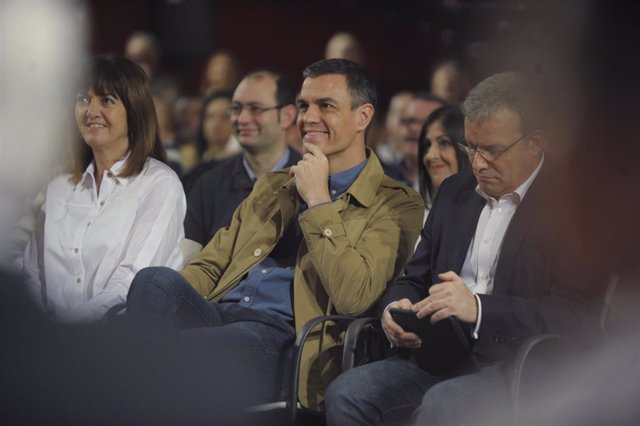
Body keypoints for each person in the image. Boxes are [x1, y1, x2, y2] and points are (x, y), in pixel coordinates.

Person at [124, 58, 424, 409]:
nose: (308, 118)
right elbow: (210, 265)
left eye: (325, 106)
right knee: (153, 283)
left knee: (165, 358)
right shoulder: (275, 185)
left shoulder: (396, 203)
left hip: (281, 339)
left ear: (364, 117)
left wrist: (318, 201)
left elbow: (354, 297)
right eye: (303, 105)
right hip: (221, 314)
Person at [324, 71, 605, 425]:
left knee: (445, 404)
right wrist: (395, 308)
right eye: (471, 147)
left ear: (535, 143)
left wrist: (478, 309)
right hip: (439, 355)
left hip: (518, 364)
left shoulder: (573, 209)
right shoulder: (455, 191)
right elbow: (414, 277)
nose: (477, 162)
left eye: (493, 150)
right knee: (347, 393)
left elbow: (577, 315)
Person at [22, 55, 186, 323]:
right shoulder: (58, 188)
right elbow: (32, 274)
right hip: (47, 343)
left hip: (119, 343)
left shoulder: (159, 184)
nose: (91, 111)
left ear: (134, 110)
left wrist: (67, 331)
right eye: (83, 99)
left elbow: (131, 282)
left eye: (106, 100)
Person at [182, 69, 302, 258]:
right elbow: (186, 264)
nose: (243, 119)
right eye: (236, 109)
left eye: (256, 109)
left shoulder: (312, 182)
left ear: (287, 116)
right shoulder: (208, 185)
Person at [416, 105, 471, 210]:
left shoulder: (489, 213)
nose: (430, 155)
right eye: (427, 145)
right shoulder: (419, 217)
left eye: (444, 143)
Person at [392, 92, 448, 189]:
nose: (413, 128)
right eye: (409, 121)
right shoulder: (377, 177)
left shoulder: (457, 186)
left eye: (425, 123)